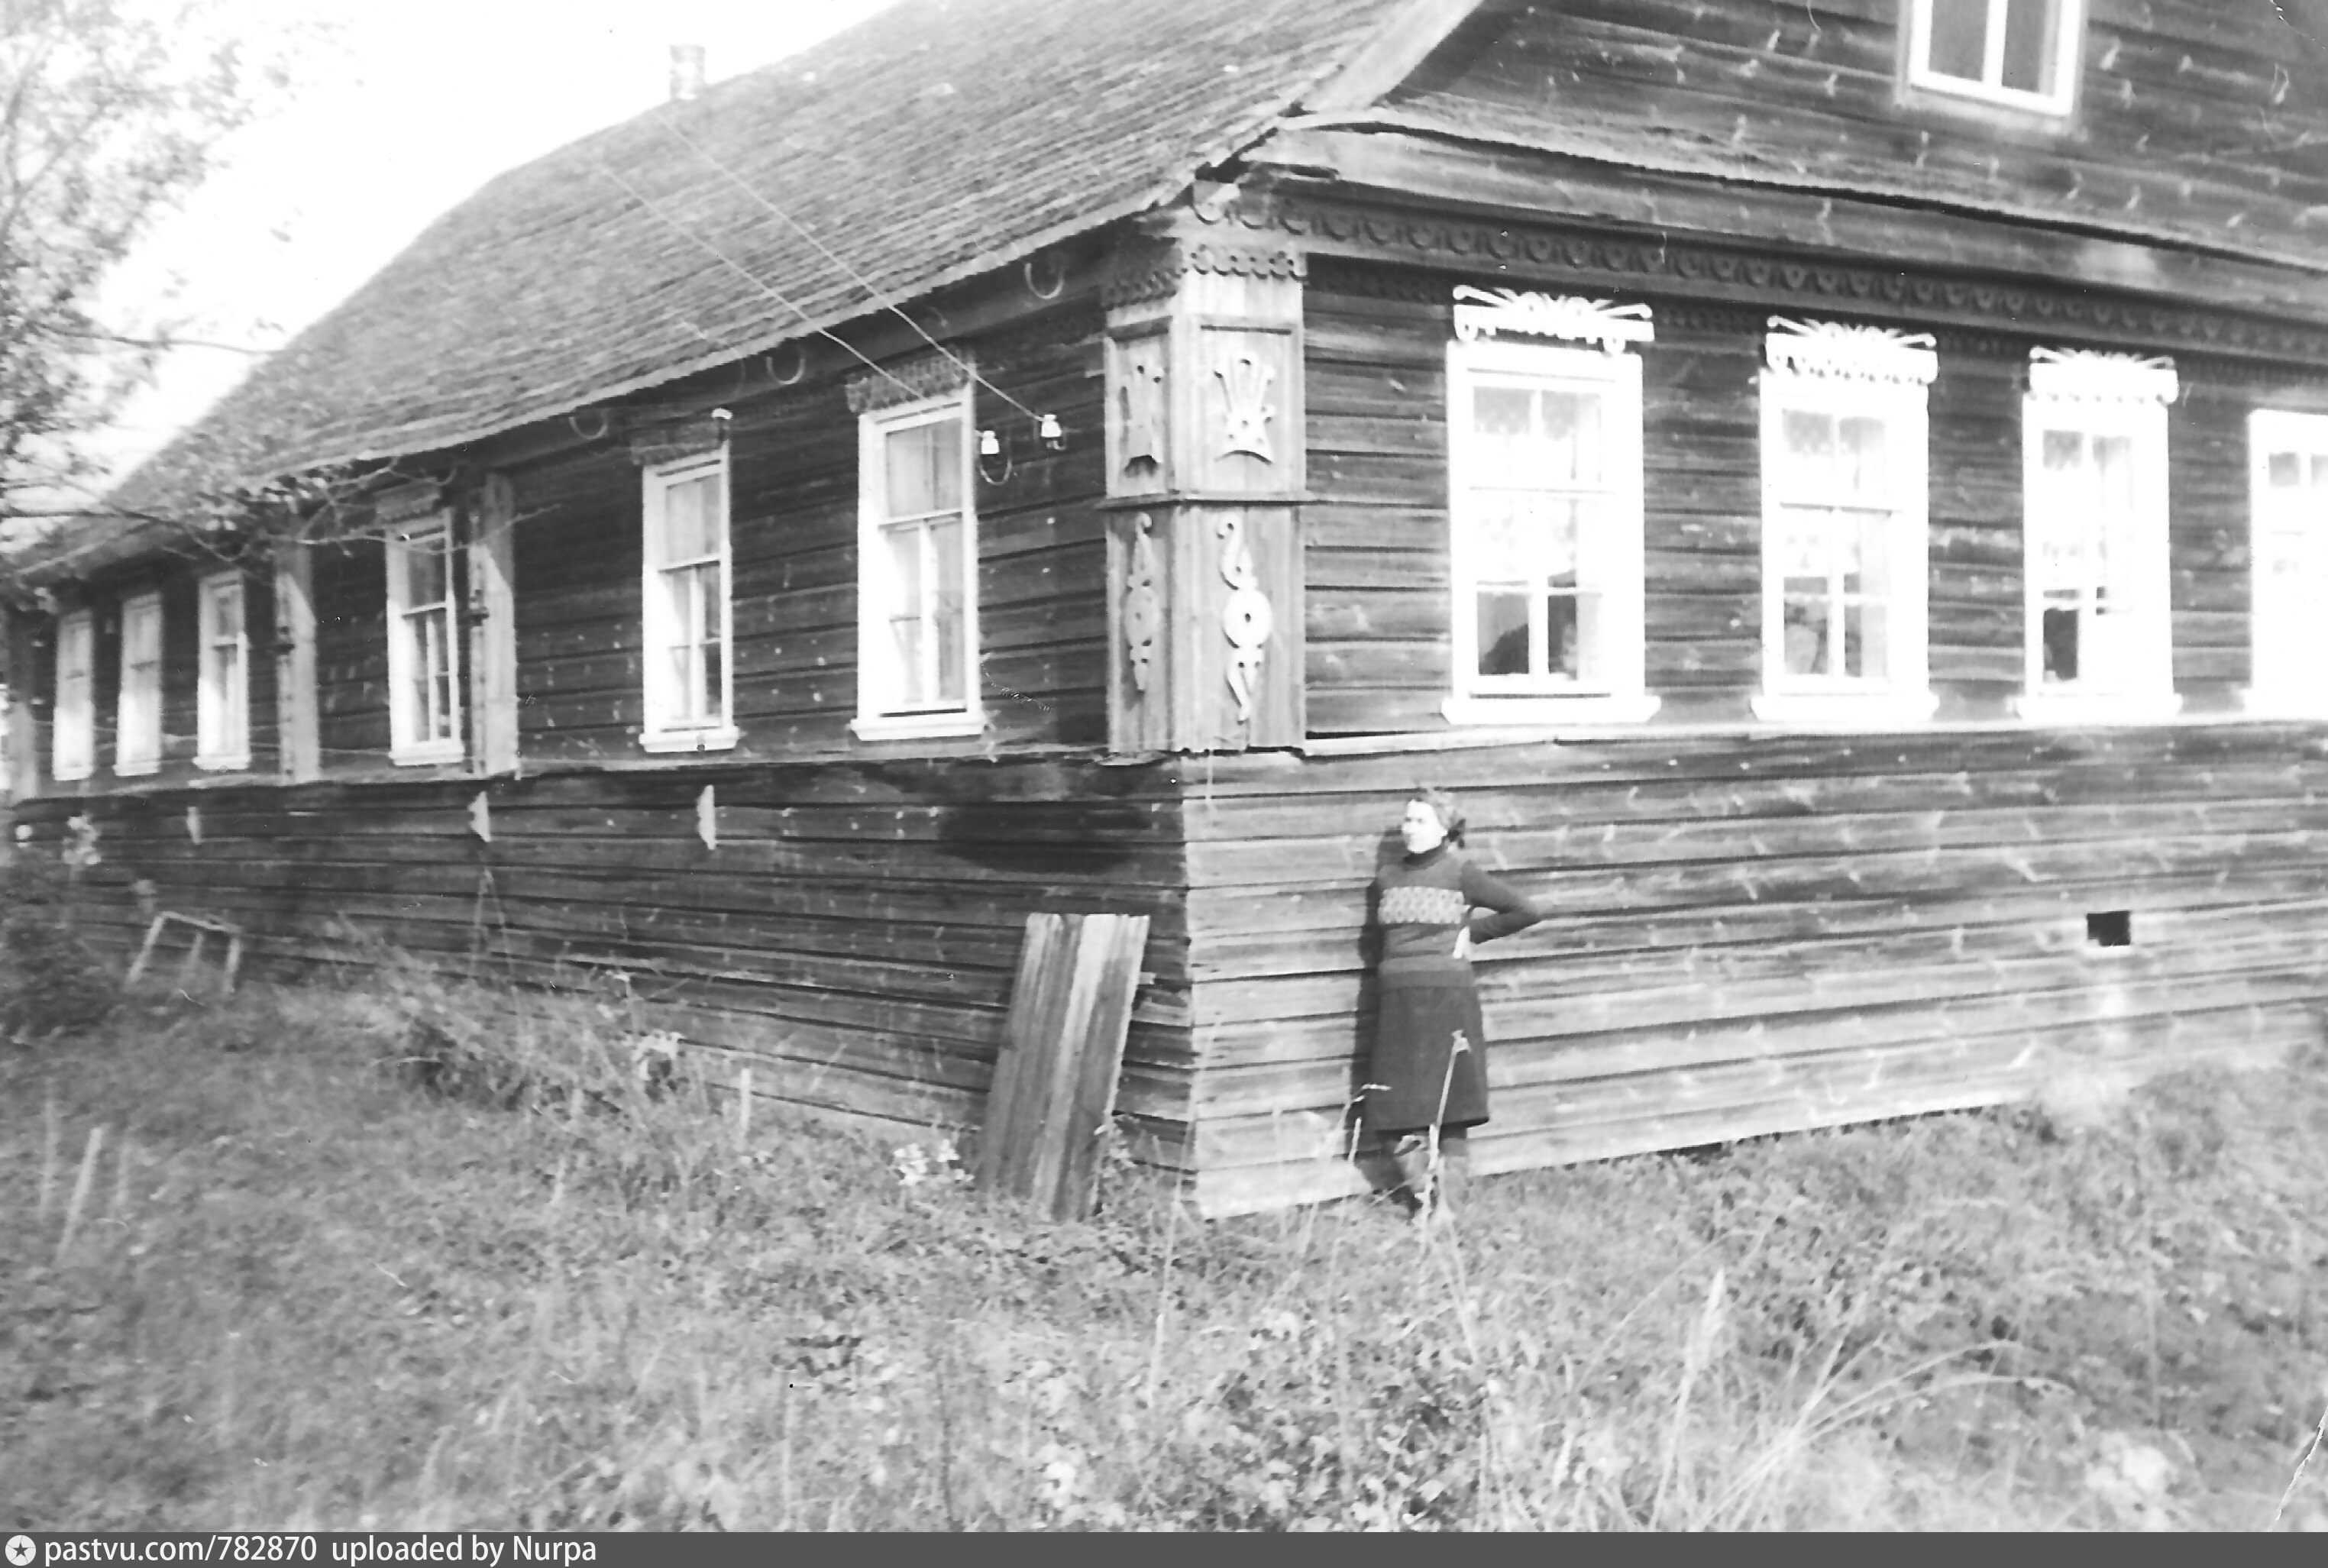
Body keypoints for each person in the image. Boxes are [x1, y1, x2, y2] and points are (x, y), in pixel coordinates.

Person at [1365, 787, 1541, 1217]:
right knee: (1393, 1108)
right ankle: (1424, 1197)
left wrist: (1473, 934)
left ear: (1445, 828)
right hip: (1398, 1004)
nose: (1410, 828)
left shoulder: (1459, 871)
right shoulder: (1387, 878)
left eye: (1420, 820)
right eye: (1407, 820)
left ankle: (1450, 1209)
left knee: (1453, 1107)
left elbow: (1525, 909)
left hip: (1448, 999)